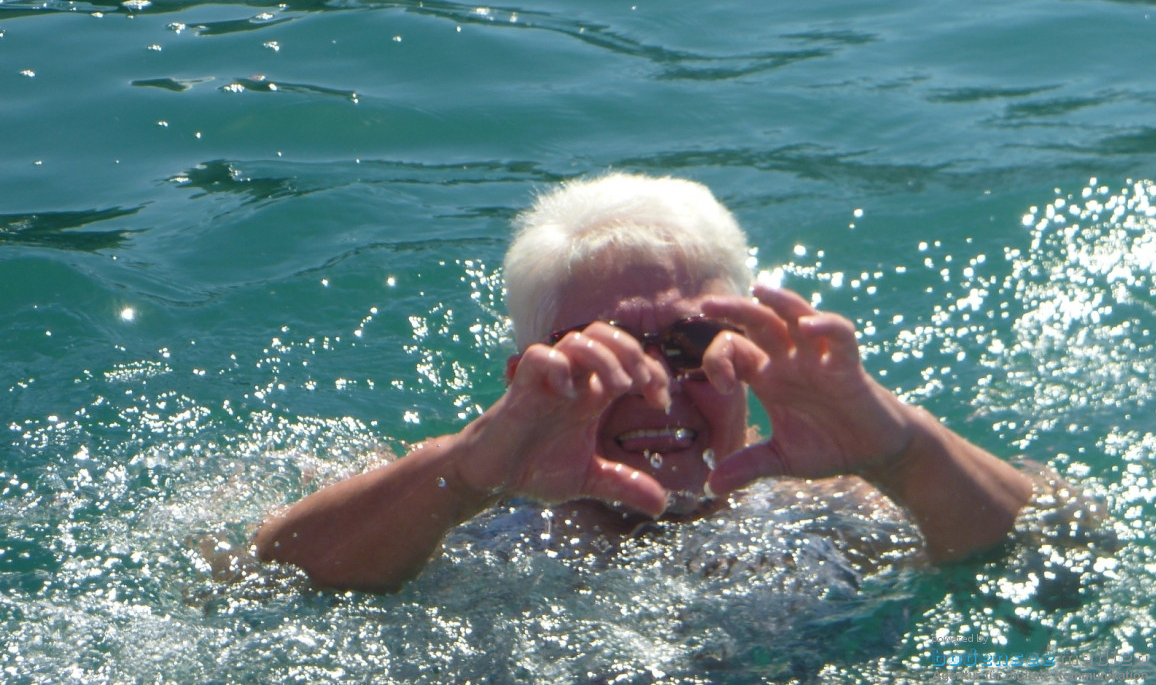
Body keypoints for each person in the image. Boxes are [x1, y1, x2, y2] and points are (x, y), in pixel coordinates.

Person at [253, 172, 1036, 591]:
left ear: (754, 350)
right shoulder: (460, 507)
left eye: (695, 342)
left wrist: (902, 453)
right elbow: (240, 573)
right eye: (605, 350)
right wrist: (459, 480)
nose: (654, 384)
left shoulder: (838, 507)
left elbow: (1072, 545)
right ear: (528, 376)